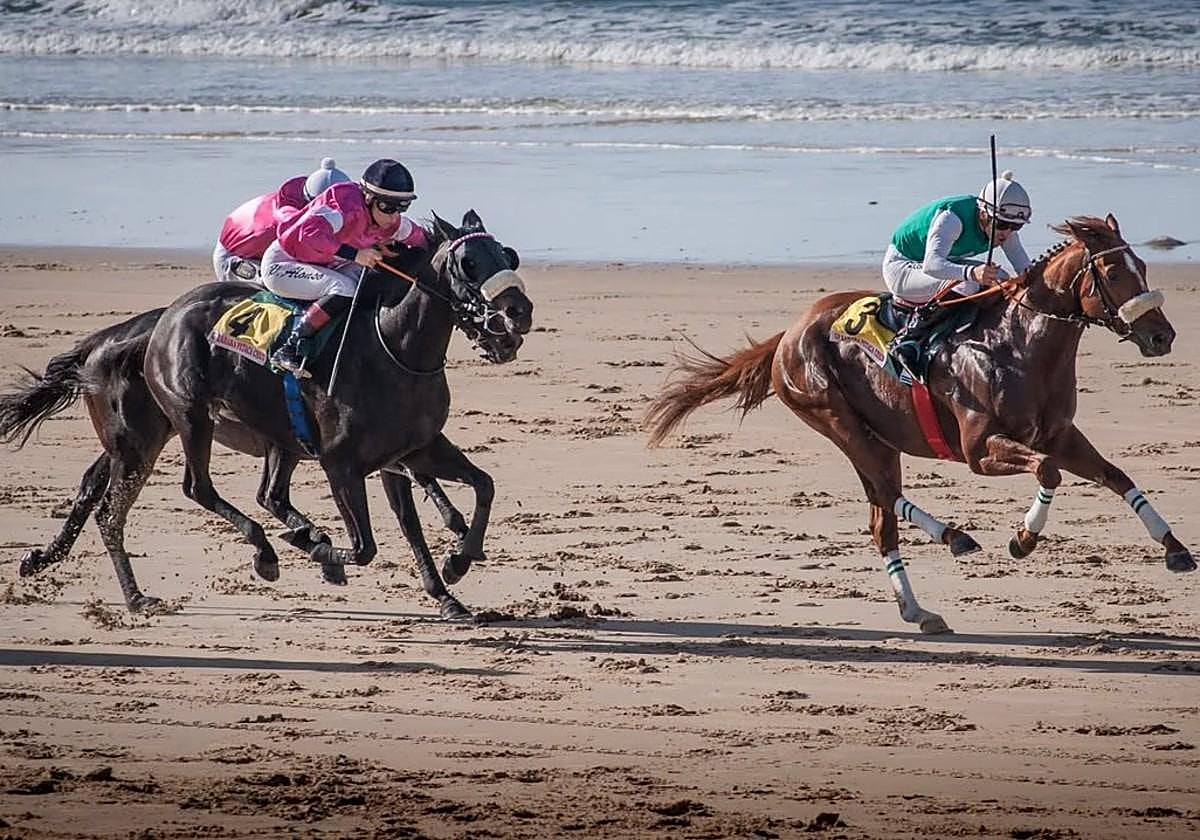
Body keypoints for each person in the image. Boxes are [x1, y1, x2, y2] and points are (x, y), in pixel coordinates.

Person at [261, 158, 428, 377]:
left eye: (402, 208)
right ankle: (290, 346)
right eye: (387, 207)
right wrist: (356, 254)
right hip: (285, 264)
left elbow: (421, 238)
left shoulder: (392, 222)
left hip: (329, 263)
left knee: (372, 280)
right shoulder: (343, 208)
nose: (394, 216)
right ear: (368, 198)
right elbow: (310, 235)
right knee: (344, 288)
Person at [883, 170, 1033, 379]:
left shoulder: (1001, 227)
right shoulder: (952, 219)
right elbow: (932, 265)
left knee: (1002, 277)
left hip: (942, 265)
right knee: (969, 283)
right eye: (1002, 225)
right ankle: (910, 338)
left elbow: (1026, 270)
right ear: (983, 213)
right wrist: (972, 272)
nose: (1007, 233)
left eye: (1015, 226)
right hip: (904, 268)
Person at [211, 157, 350, 283]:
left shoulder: (300, 200)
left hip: (253, 243)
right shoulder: (288, 217)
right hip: (234, 257)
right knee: (294, 285)